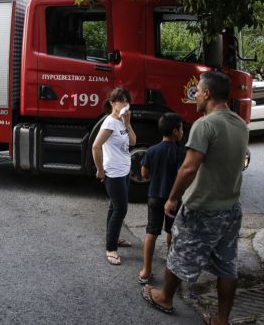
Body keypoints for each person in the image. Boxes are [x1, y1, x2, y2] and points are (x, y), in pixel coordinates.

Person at [141, 71, 248, 325]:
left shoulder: (205, 124)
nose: (195, 95)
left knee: (179, 253)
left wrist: (172, 198)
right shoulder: (240, 124)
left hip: (203, 206)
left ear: (208, 93)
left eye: (197, 91)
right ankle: (222, 319)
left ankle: (165, 297)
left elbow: (188, 168)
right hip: (231, 208)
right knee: (227, 265)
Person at [138, 112, 185, 284]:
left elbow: (144, 173)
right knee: (171, 232)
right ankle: (170, 266)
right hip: (173, 199)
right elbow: (182, 175)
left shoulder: (152, 150)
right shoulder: (181, 152)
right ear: (174, 131)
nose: (182, 131)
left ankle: (146, 270)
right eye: (181, 129)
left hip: (154, 196)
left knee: (151, 232)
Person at [92, 87, 137, 265]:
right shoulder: (109, 123)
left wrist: (128, 123)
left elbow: (133, 142)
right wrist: (100, 170)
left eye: (127, 101)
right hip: (114, 173)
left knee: (114, 207)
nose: (126, 104)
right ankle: (111, 249)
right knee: (121, 209)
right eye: (122, 101)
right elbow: (95, 146)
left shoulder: (121, 122)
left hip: (124, 170)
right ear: (112, 103)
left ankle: (113, 237)